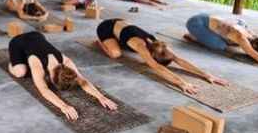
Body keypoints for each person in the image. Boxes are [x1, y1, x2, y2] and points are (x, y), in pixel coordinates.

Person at [95, 19, 228, 95]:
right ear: (152, 55)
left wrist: (206, 75)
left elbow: (179, 59)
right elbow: (155, 67)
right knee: (115, 54)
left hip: (122, 22)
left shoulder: (160, 45)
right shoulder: (140, 45)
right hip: (106, 27)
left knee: (127, 46)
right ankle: (101, 42)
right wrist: (181, 82)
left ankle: (119, 40)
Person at [8, 31, 118, 120]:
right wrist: (63, 106)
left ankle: (23, 60)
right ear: (51, 78)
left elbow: (82, 80)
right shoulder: (37, 64)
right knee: (21, 72)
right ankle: (12, 63)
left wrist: (101, 97)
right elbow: (43, 89)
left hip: (37, 35)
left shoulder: (66, 62)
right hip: (18, 41)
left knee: (30, 69)